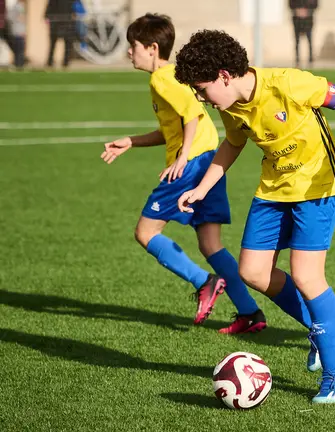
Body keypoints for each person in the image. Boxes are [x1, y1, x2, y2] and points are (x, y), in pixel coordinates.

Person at [173, 29, 335, 404]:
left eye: (202, 88)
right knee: (252, 272)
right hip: (273, 190)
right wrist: (201, 188)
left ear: (224, 76)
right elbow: (233, 143)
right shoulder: (230, 106)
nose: (201, 98)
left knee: (309, 277)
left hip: (318, 187)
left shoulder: (288, 83)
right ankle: (322, 321)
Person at [100, 14, 265, 334]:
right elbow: (173, 129)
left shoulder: (161, 79)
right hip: (208, 158)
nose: (129, 53)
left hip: (191, 165)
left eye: (132, 46)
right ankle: (250, 313)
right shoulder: (173, 77)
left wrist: (182, 157)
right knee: (211, 245)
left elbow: (191, 116)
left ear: (151, 48)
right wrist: (131, 142)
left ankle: (205, 281)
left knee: (145, 233)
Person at [45, 0, 76, 68]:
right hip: (58, 23)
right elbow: (49, 8)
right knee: (53, 44)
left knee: (66, 44)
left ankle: (65, 62)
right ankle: (51, 62)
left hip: (66, 23)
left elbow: (75, 9)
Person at [289, 0, 318, 67]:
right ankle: (297, 59)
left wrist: (307, 12)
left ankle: (310, 59)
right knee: (297, 41)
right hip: (297, 21)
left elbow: (315, 5)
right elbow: (290, 5)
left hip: (308, 21)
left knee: (310, 40)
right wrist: (297, 11)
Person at [7, 0, 25, 69]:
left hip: (18, 31)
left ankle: (19, 64)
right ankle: (18, 65)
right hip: (17, 32)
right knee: (19, 49)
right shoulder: (18, 7)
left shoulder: (18, 6)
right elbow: (10, 17)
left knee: (19, 49)